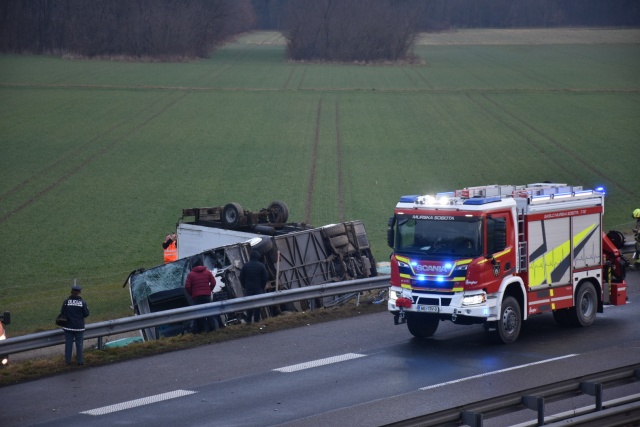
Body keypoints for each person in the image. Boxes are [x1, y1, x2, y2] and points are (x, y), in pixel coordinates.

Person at [184, 256, 217, 333]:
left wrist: (191, 293)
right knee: (209, 312)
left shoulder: (191, 274)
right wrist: (209, 290)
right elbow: (213, 283)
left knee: (199, 314)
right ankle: (212, 329)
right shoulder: (207, 272)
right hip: (206, 296)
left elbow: (187, 286)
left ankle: (202, 330)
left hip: (196, 297)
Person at [59, 285, 90, 365]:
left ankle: (68, 361)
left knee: (68, 344)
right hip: (79, 327)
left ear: (71, 292)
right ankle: (80, 361)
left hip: (68, 326)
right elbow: (86, 314)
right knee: (79, 344)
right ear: (79, 293)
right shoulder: (82, 302)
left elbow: (62, 312)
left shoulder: (66, 302)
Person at [239, 250, 268, 324]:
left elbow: (241, 277)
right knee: (257, 305)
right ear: (258, 257)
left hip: (248, 288)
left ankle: (248, 320)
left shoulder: (245, 265)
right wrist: (262, 286)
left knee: (249, 304)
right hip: (258, 288)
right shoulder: (261, 266)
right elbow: (265, 278)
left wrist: (244, 286)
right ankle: (256, 320)